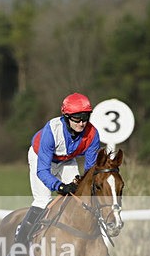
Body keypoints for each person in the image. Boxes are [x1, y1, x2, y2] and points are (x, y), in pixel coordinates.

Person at [14, 92, 101, 247]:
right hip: (40, 158)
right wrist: (60, 187)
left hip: (66, 159)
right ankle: (19, 244)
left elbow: (90, 171)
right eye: (77, 118)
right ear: (66, 117)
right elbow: (42, 171)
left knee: (78, 197)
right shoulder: (52, 130)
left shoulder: (93, 134)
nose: (82, 123)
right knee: (43, 200)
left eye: (85, 117)